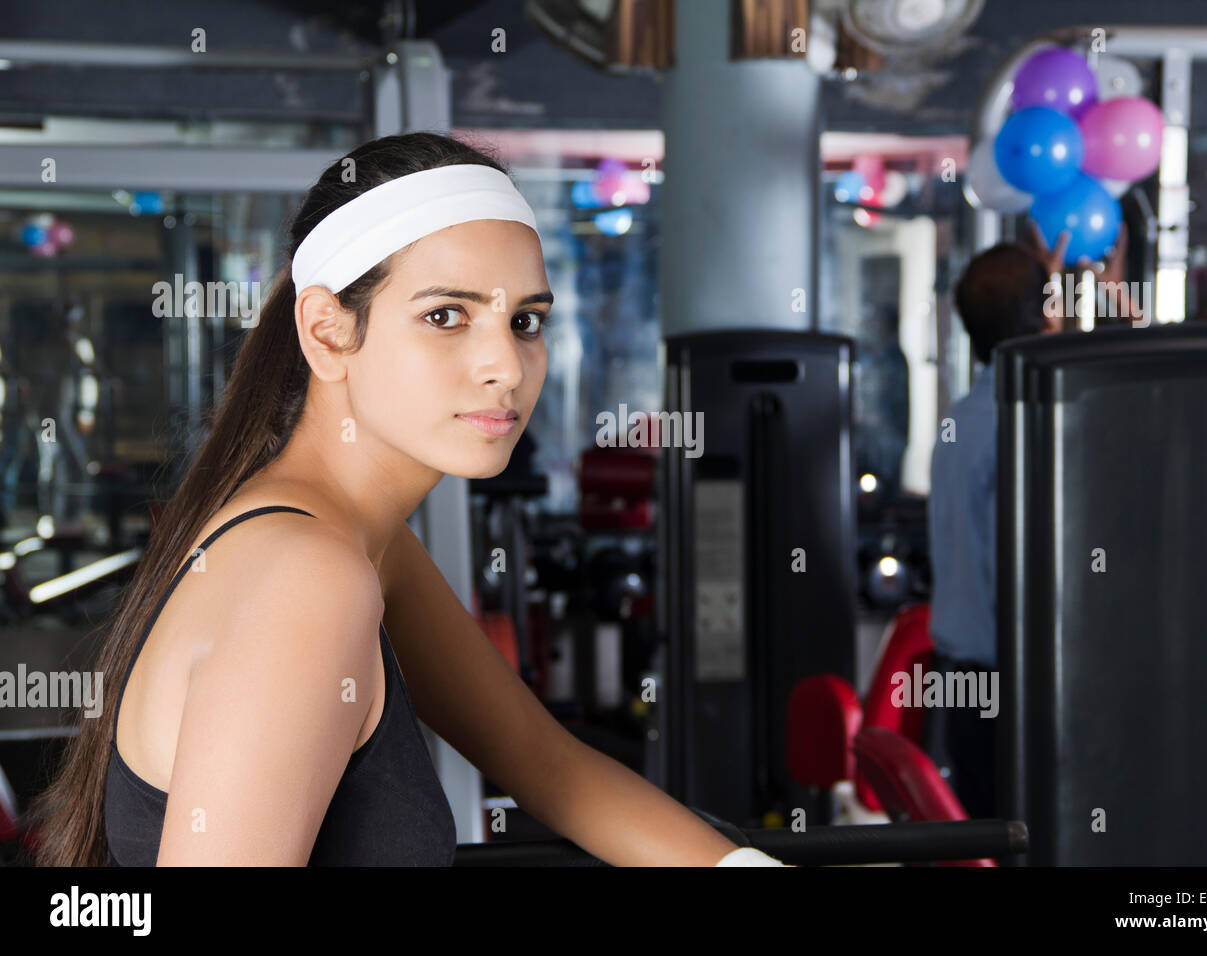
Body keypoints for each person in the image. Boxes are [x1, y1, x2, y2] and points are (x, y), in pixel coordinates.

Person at [28, 132, 784, 867]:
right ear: (327, 333)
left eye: (524, 321)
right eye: (445, 316)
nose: (505, 367)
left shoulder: (352, 543)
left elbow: (548, 767)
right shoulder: (308, 574)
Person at [924, 223, 1136, 819]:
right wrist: (1114, 308)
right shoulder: (1030, 421)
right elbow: (1148, 414)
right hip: (1019, 692)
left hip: (966, 690)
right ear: (1045, 313)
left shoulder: (965, 419)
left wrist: (1040, 291)